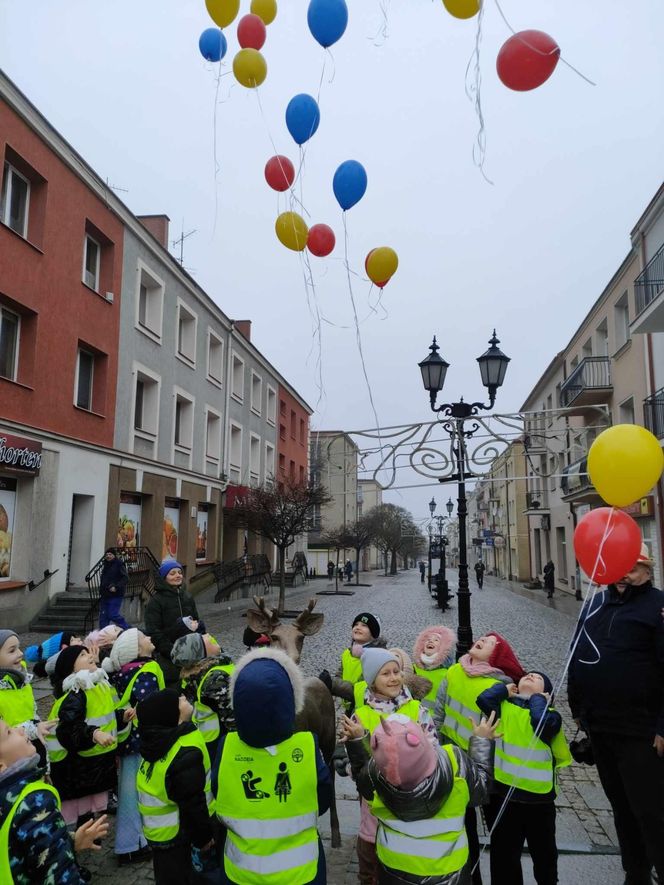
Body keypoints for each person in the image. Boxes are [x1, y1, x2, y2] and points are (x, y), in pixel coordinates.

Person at [568, 543, 664, 885]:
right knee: (621, 808)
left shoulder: (658, 607)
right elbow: (576, 652)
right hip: (601, 726)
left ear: (647, 571)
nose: (624, 574)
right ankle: (635, 872)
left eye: (633, 567)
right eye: (619, 566)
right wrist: (577, 705)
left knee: (651, 810)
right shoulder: (596, 603)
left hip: (641, 730)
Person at [214, 647, 332, 885]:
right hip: (301, 872)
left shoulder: (227, 746)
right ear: (291, 701)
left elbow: (218, 791)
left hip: (242, 870)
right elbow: (323, 799)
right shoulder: (307, 746)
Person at [346, 715, 498, 885]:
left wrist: (359, 740)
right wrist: (482, 741)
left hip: (395, 870)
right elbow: (481, 789)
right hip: (450, 872)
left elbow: (361, 777)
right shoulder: (454, 762)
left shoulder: (375, 775)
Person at [433, 632, 526, 885]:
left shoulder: (502, 684)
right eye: (483, 638)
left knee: (500, 832)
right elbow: (440, 712)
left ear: (496, 656)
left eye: (490, 643)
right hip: (455, 759)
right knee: (463, 829)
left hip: (489, 765)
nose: (482, 640)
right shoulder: (453, 671)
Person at [340, 648, 439, 885]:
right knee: (370, 870)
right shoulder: (360, 716)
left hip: (412, 806)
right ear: (372, 680)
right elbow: (356, 769)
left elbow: (433, 750)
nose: (394, 678)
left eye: (396, 672)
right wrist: (359, 738)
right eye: (385, 673)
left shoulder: (417, 709)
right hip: (375, 811)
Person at [477, 670, 571, 884]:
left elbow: (541, 723)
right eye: (528, 675)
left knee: (544, 854)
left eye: (538, 679)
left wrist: (538, 700)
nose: (531, 676)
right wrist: (503, 689)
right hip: (505, 797)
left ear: (547, 694)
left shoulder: (552, 715)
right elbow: (483, 699)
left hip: (539, 801)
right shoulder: (504, 708)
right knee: (504, 856)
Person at [0, 717, 109, 884]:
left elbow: (18, 851)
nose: (21, 729)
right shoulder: (34, 802)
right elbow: (59, 875)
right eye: (9, 732)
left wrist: (68, 842)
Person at [137, 688, 217, 884]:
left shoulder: (159, 743)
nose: (183, 697)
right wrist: (204, 839)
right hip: (182, 836)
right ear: (172, 716)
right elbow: (193, 803)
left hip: (162, 836)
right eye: (178, 700)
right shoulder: (183, 752)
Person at [45, 644, 128, 831]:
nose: (89, 655)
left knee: (87, 810)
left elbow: (103, 716)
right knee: (76, 815)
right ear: (70, 668)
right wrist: (93, 734)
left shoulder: (96, 685)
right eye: (82, 655)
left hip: (91, 764)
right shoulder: (76, 693)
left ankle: (87, 836)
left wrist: (121, 717)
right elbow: (69, 729)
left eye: (87, 652)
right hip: (74, 767)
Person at [102, 628, 164, 866]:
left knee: (129, 788)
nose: (150, 638)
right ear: (137, 650)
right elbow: (151, 705)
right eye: (144, 638)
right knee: (134, 792)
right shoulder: (145, 672)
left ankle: (134, 841)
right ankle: (130, 845)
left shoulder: (123, 672)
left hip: (128, 740)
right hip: (141, 741)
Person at [172, 631, 235, 765]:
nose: (207, 635)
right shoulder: (215, 679)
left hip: (209, 741)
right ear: (200, 654)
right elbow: (233, 718)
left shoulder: (200, 675)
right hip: (223, 744)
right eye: (202, 638)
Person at [0, 630, 55, 764]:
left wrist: (45, 763)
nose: (20, 653)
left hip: (33, 751)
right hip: (13, 762)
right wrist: (34, 729)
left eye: (19, 648)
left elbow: (33, 715)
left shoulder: (22, 681)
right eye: (12, 650)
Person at [145, 560, 201, 688]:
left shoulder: (187, 597)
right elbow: (154, 631)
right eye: (172, 573)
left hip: (190, 654)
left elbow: (196, 621)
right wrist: (173, 651)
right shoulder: (156, 601)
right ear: (164, 577)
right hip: (168, 657)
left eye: (180, 572)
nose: (178, 576)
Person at [412, 625, 457, 713]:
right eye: (428, 639)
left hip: (436, 721)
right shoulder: (413, 668)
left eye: (436, 640)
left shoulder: (447, 674)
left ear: (443, 648)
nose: (430, 641)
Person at [98, 549, 130, 630]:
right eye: (107, 554)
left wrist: (116, 586)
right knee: (103, 617)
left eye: (110, 554)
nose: (108, 556)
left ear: (114, 555)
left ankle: (127, 628)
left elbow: (125, 578)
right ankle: (103, 635)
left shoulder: (119, 564)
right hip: (105, 594)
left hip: (116, 594)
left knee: (112, 614)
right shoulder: (105, 565)